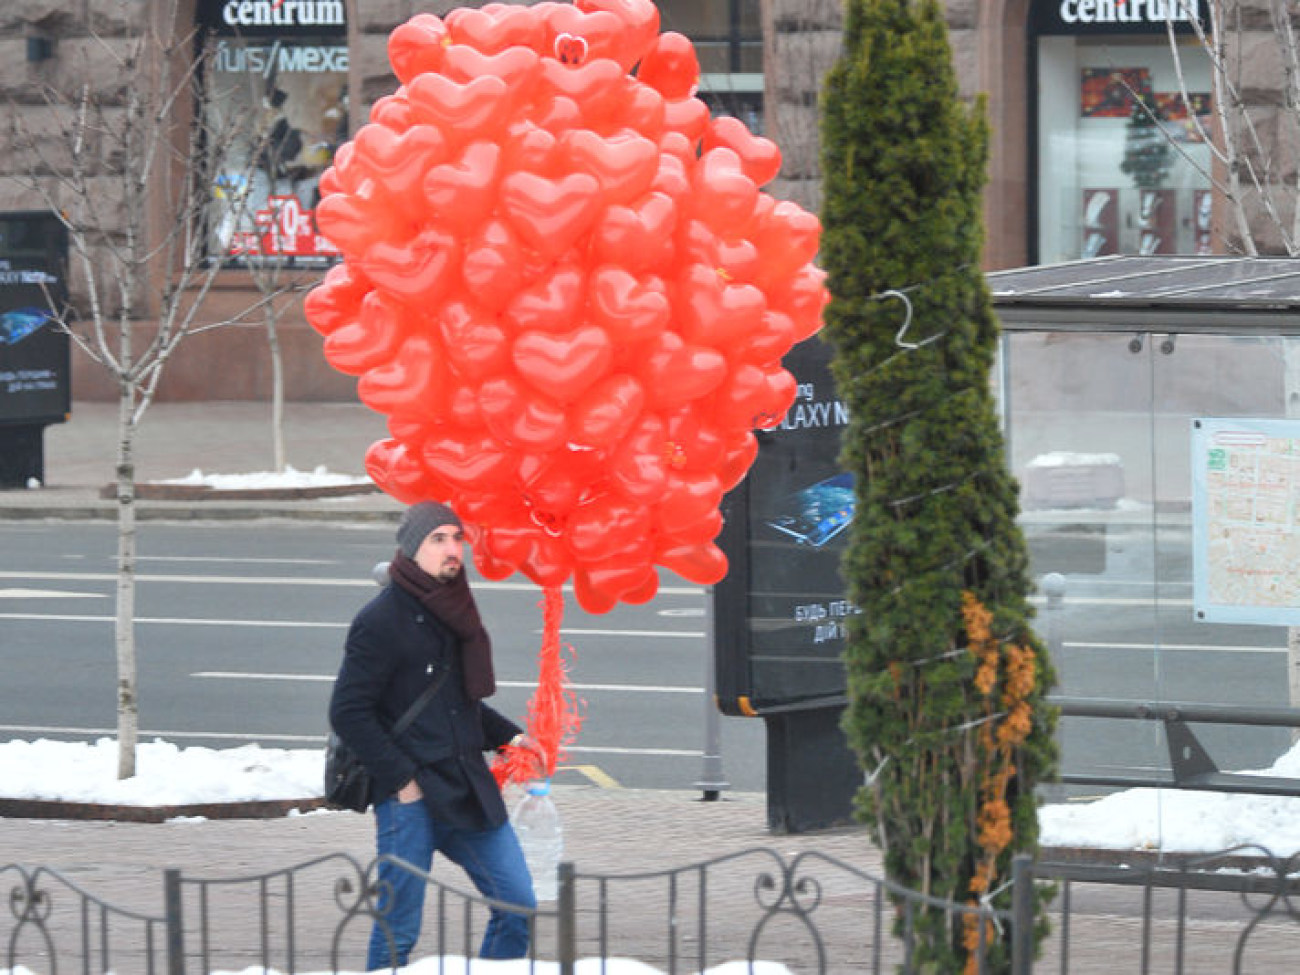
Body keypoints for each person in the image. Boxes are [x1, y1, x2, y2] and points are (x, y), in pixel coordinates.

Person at [329, 501, 542, 970]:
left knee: (518, 905)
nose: (452, 550)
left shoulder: (453, 607)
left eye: (457, 538)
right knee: (399, 927)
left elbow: (454, 700)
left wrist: (511, 736)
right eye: (438, 539)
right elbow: (348, 711)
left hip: (466, 786)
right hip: (411, 795)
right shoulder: (381, 619)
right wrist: (402, 781)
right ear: (411, 548)